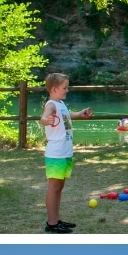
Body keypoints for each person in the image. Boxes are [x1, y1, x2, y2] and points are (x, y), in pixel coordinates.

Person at [40, 72, 92, 233]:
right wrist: (45, 120)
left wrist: (80, 114)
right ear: (54, 89)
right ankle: (52, 224)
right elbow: (44, 117)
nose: (67, 90)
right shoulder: (51, 104)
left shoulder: (60, 104)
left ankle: (56, 219)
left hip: (65, 153)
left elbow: (68, 116)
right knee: (54, 187)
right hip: (55, 154)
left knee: (59, 187)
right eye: (65, 87)